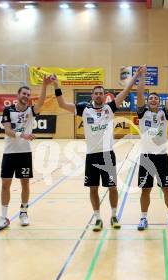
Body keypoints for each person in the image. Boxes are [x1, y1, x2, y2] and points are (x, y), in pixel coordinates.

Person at [52, 68, 143, 231]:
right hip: (91, 156)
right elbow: (61, 104)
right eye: (96, 93)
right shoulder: (83, 109)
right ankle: (98, 218)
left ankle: (114, 216)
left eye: (102, 93)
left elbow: (127, 90)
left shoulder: (110, 108)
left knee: (112, 187)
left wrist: (136, 76)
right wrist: (56, 84)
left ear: (105, 96)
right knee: (93, 188)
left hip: (107, 155)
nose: (99, 95)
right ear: (92, 96)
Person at [0, 76, 50, 230]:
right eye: (23, 93)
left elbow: (41, 101)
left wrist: (45, 85)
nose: (26, 96)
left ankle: (23, 212)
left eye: (28, 94)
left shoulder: (31, 111)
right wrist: (23, 135)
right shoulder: (8, 110)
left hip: (24, 153)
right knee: (5, 183)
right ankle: (3, 217)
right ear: (18, 95)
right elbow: (7, 130)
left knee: (25, 184)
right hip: (9, 153)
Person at [135, 66, 168, 231]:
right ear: (147, 102)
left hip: (161, 157)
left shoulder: (164, 114)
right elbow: (139, 94)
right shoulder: (142, 114)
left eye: (156, 98)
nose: (153, 100)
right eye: (151, 98)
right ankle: (143, 218)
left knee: (167, 188)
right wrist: (142, 76)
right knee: (145, 190)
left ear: (159, 102)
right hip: (146, 157)